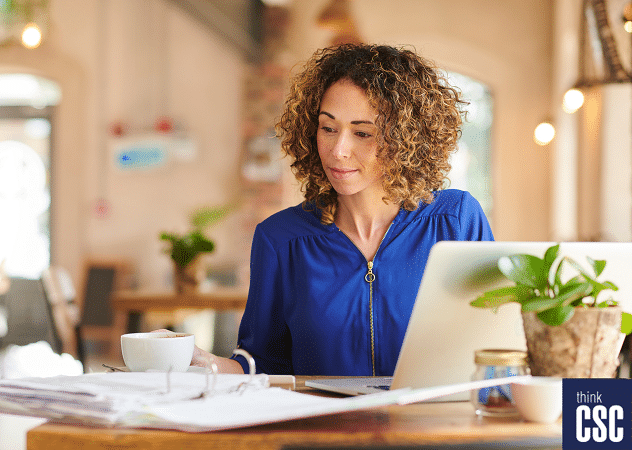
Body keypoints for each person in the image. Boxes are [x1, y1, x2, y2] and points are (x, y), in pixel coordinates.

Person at [191, 43, 494, 376]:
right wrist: (206, 364)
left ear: (405, 138)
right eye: (328, 128)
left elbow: (495, 349)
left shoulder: (456, 221)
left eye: (362, 133)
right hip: (323, 428)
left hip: (431, 425)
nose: (338, 150)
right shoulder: (280, 239)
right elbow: (263, 364)